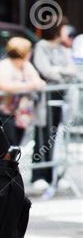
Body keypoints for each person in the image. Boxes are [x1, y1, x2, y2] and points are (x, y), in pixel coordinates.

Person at [31, 17, 77, 187]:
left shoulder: (63, 48)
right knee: (43, 134)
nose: (67, 31)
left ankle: (55, 175)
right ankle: (39, 175)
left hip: (62, 96)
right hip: (47, 98)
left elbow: (72, 70)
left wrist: (60, 71)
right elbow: (47, 70)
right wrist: (61, 72)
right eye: (65, 27)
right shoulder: (41, 46)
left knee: (58, 135)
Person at [0, 37, 46, 146]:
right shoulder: (4, 65)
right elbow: (2, 85)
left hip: (21, 114)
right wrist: (29, 86)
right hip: (4, 113)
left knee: (16, 145)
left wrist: (27, 86)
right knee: (7, 145)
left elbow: (40, 82)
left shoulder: (26, 65)